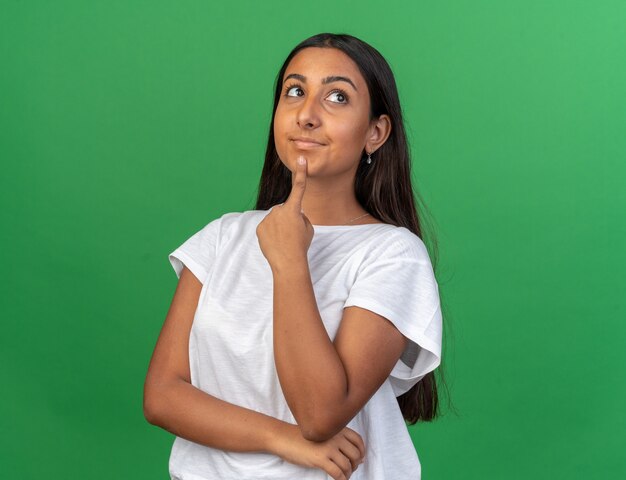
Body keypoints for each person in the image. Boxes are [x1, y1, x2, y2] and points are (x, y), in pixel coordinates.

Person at [143, 32, 445, 480]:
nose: (307, 115)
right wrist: (281, 440)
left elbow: (321, 413)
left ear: (375, 133)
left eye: (337, 97)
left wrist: (289, 262)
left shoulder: (393, 254)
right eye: (295, 92)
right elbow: (163, 395)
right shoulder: (223, 237)